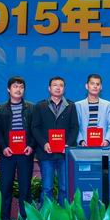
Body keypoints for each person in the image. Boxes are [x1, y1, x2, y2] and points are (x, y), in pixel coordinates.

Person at [31, 76, 79, 205]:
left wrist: (68, 144)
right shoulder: (40, 106)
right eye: (55, 85)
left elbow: (75, 127)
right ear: (49, 88)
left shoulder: (71, 106)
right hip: (46, 153)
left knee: (64, 188)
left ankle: (63, 215)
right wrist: (44, 143)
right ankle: (46, 215)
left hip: (64, 154)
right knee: (47, 188)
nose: (58, 88)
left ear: (64, 89)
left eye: (61, 85)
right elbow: (35, 128)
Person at [0, 76, 35, 220]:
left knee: (25, 188)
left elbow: (34, 129)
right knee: (5, 187)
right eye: (15, 86)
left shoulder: (31, 108)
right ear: (8, 89)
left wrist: (31, 145)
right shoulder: (1, 109)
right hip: (8, 154)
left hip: (25, 154)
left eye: (21, 87)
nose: (18, 89)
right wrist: (3, 147)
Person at [75, 74, 110, 147]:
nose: (95, 86)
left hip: (102, 146)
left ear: (101, 87)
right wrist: (81, 141)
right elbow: (75, 126)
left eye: (98, 84)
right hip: (84, 146)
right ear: (86, 86)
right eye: (92, 83)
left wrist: (107, 140)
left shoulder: (107, 105)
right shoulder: (78, 105)